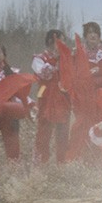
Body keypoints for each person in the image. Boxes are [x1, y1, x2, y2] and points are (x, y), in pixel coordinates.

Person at [32, 29, 72, 165]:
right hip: (45, 94)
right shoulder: (39, 58)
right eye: (59, 41)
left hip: (63, 95)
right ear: (50, 41)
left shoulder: (66, 58)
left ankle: (61, 162)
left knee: (63, 129)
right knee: (44, 129)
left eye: (63, 41)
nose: (62, 44)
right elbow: (44, 74)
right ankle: (41, 162)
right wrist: (55, 59)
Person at [82, 22, 102, 90]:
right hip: (87, 90)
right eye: (90, 33)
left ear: (99, 35)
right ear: (85, 35)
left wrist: (101, 71)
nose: (93, 35)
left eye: (95, 32)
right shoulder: (80, 51)